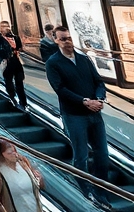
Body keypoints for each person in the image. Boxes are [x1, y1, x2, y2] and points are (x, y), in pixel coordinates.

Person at [44, 27, 110, 205]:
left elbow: (98, 81)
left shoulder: (83, 59)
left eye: (70, 38)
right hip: (74, 115)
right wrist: (84, 101)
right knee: (81, 155)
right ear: (56, 40)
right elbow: (60, 89)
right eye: (64, 39)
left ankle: (101, 191)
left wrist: (100, 98)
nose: (68, 42)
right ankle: (86, 190)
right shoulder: (53, 63)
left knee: (103, 154)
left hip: (94, 114)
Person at [0, 137, 43, 212]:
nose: (14, 154)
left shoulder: (22, 161)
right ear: (1, 155)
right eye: (9, 153)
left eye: (14, 151)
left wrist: (38, 179)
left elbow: (37, 186)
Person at [0, 20, 27, 111]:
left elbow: (19, 47)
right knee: (9, 80)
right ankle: (12, 98)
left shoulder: (15, 37)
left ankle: (23, 102)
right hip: (7, 61)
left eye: (7, 26)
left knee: (19, 80)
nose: (6, 28)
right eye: (3, 26)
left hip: (16, 60)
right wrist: (2, 57)